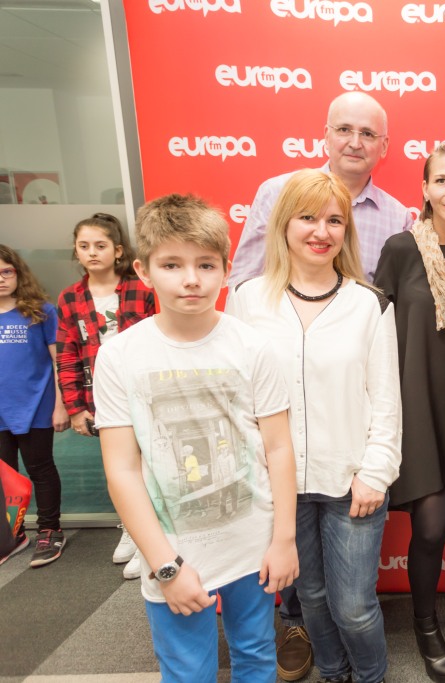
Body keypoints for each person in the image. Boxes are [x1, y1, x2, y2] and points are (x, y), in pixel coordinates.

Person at [227, 91, 410, 681]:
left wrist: (376, 472)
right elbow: (238, 399)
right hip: (280, 483)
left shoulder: (368, 305)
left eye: (334, 221)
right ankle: (333, 673)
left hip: (349, 479)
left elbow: (386, 402)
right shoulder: (247, 302)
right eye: (307, 218)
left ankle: (370, 677)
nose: (321, 231)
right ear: (283, 223)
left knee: (353, 606)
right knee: (308, 597)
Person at [93, 195, 300, 683]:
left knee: (256, 654)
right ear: (143, 271)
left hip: (253, 543)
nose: (191, 279)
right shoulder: (120, 356)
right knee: (188, 670)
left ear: (225, 271)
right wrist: (165, 565)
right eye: (172, 265)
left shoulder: (253, 348)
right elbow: (122, 470)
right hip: (172, 549)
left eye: (206, 265)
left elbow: (278, 448)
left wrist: (284, 539)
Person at [374, 142, 445, 682]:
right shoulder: (401, 249)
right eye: (442, 180)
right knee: (430, 523)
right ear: (424, 189)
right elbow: (373, 329)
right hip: (416, 404)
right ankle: (425, 625)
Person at [56, 212, 155, 579]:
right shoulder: (70, 297)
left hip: (143, 392)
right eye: (84, 246)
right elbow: (67, 354)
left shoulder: (141, 290)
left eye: (100, 245)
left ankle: (148, 538)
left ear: (118, 251)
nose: (92, 252)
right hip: (101, 397)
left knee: (149, 465)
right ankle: (130, 528)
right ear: (76, 251)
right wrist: (75, 407)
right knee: (119, 467)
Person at [228, 91, 412, 288]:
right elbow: (243, 282)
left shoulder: (398, 219)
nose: (355, 143)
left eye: (367, 134)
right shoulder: (276, 193)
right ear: (326, 136)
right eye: (344, 130)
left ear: (384, 146)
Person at [0, 245, 70, 567]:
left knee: (40, 470)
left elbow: (59, 362)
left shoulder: (41, 312)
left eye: (6, 271)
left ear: (18, 273)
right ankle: (12, 535)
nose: (1, 279)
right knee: (5, 477)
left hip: (36, 406)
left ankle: (49, 530)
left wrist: (61, 405)